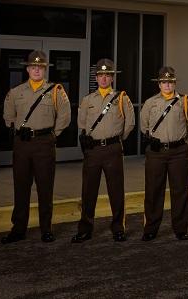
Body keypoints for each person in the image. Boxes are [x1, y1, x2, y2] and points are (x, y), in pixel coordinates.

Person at [1, 49, 71, 243]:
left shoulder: (55, 91)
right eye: (33, 67)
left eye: (40, 67)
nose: (36, 70)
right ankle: (18, 229)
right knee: (21, 186)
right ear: (28, 69)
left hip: (44, 143)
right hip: (22, 144)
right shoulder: (16, 92)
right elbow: (8, 116)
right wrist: (17, 130)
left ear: (45, 69)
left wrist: (52, 135)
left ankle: (46, 229)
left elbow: (65, 116)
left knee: (45, 187)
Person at [71, 59, 135, 243]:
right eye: (101, 75)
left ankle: (118, 228)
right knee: (88, 191)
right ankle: (85, 228)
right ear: (96, 78)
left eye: (108, 75)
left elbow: (129, 123)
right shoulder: (87, 100)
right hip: (93, 150)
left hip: (113, 149)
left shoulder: (122, 98)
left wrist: (115, 140)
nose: (104, 78)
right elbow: (81, 124)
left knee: (116, 191)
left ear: (112, 78)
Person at [139, 66, 188, 241]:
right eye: (164, 82)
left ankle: (180, 228)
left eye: (170, 82)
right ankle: (151, 229)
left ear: (174, 83)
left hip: (178, 151)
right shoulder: (150, 103)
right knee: (153, 191)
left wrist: (178, 140)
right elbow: (144, 126)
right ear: (159, 84)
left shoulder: (184, 101)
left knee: (180, 191)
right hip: (156, 152)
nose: (167, 85)